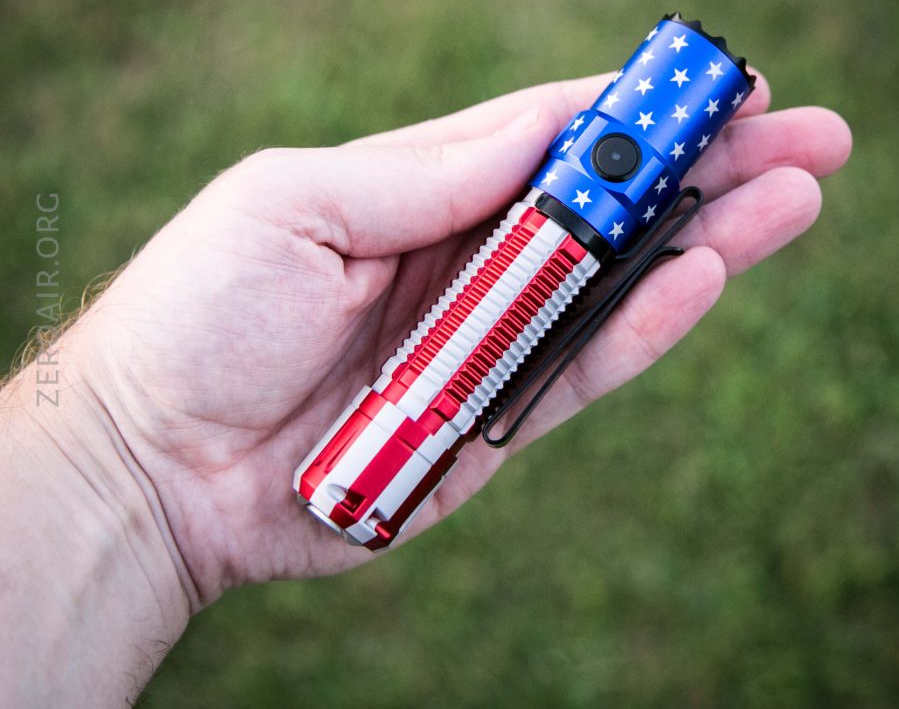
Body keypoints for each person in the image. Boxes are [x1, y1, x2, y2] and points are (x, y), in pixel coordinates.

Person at [0, 70, 851, 706]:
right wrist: (122, 453)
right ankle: (356, 479)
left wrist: (120, 462)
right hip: (444, 362)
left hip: (502, 307)